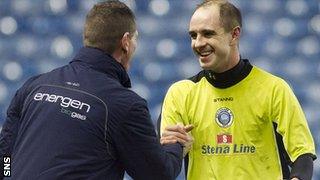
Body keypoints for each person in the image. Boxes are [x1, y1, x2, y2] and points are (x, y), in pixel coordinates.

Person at [0, 1, 193, 179]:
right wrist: (175, 145)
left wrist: (7, 176)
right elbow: (158, 174)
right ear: (126, 42)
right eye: (135, 39)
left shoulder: (34, 86)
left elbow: (5, 155)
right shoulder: (125, 105)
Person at [159, 0, 317, 179]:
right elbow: (162, 167)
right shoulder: (179, 94)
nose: (198, 43)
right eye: (193, 36)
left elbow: (303, 155)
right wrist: (176, 150)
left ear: (234, 34)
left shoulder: (274, 89)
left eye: (208, 34)